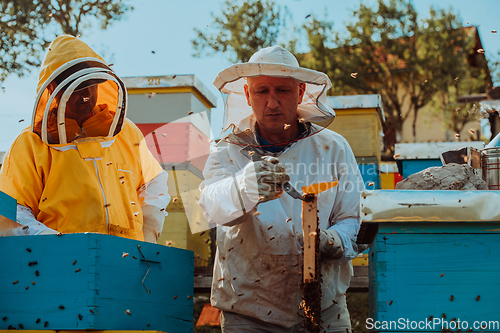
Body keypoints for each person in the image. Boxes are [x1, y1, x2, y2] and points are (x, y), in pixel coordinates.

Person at [199, 46, 365, 332]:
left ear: (300, 93)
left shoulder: (333, 147)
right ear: (248, 95)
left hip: (326, 309)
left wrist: (333, 241)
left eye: (282, 91)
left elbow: (355, 217)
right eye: (262, 91)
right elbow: (209, 207)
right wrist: (244, 187)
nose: (272, 102)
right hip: (247, 311)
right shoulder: (228, 149)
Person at [0, 35, 169, 242]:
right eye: (77, 87)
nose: (87, 93)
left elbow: (153, 182)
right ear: (53, 88)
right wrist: (54, 242)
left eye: (92, 84)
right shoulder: (29, 144)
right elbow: (13, 211)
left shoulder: (126, 132)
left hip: (129, 259)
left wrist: (150, 226)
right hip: (61, 265)